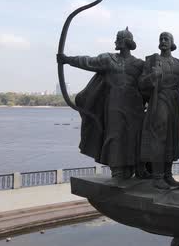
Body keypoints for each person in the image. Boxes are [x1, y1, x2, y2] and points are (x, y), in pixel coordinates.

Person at [57, 28, 145, 180]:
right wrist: (67, 59)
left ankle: (132, 167)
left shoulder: (139, 64)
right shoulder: (108, 59)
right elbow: (87, 61)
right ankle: (117, 169)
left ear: (126, 42)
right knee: (114, 136)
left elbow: (149, 82)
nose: (115, 41)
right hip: (114, 104)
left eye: (118, 38)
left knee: (133, 137)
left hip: (134, 106)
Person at [139, 32, 179, 189]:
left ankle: (168, 175)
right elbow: (141, 83)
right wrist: (153, 76)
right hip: (159, 98)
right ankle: (158, 176)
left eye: (166, 39)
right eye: (161, 39)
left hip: (175, 100)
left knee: (173, 137)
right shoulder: (153, 61)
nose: (163, 41)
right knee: (159, 136)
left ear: (172, 43)